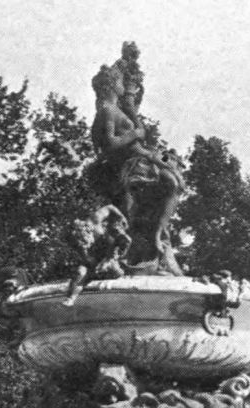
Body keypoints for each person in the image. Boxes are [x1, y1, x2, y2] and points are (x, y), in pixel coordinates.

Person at [89, 51, 185, 262]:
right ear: (112, 85)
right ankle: (157, 234)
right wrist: (135, 134)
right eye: (120, 82)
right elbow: (110, 143)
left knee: (174, 170)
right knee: (172, 182)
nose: (123, 86)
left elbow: (134, 118)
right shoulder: (107, 110)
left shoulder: (115, 108)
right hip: (133, 162)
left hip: (144, 156)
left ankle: (160, 232)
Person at [63, 204, 131, 306]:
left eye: (87, 241)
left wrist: (121, 216)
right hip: (94, 264)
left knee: (115, 267)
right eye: (83, 244)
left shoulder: (95, 220)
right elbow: (88, 260)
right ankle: (71, 298)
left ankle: (117, 270)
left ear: (89, 231)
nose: (86, 245)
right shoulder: (79, 245)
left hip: (109, 257)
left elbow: (110, 207)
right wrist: (95, 266)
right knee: (79, 273)